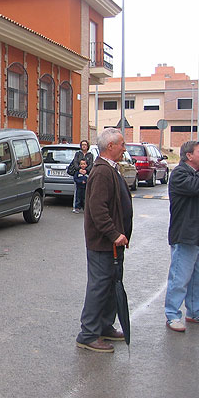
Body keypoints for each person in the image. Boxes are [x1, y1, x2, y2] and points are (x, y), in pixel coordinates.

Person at [76, 128, 132, 353]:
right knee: (99, 286)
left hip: (113, 244)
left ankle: (105, 326)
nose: (124, 148)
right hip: (103, 243)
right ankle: (88, 334)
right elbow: (98, 210)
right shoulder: (101, 172)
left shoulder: (111, 169)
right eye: (122, 144)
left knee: (110, 285)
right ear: (111, 146)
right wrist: (114, 234)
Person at [164, 140, 199, 332]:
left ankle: (195, 311)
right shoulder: (180, 173)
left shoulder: (196, 173)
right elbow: (194, 187)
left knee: (198, 277)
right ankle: (172, 315)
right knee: (180, 277)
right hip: (185, 235)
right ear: (189, 155)